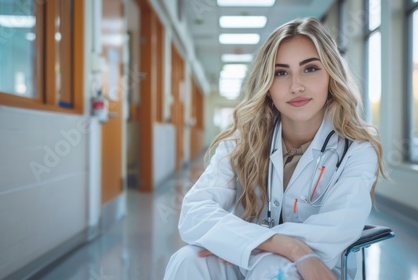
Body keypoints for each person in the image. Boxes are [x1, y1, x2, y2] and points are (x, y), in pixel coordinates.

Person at [164, 17, 387, 280]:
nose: (296, 86)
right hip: (245, 257)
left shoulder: (357, 147)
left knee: (273, 270)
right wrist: (280, 245)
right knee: (186, 260)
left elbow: (334, 230)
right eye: (281, 72)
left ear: (331, 75)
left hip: (311, 268)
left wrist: (240, 241)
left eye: (310, 69)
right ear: (268, 86)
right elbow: (194, 212)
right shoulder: (243, 139)